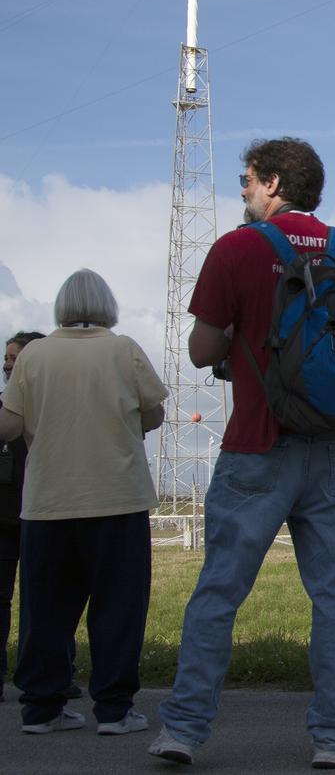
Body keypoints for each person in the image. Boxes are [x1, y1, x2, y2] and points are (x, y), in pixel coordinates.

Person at [151, 138, 335, 769]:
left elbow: (203, 351)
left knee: (219, 593)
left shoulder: (236, 249)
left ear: (272, 183)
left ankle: (183, 728)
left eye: (247, 180)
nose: (241, 190)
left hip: (258, 446)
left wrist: (244, 339)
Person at [0, 271, 165, 735]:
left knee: (45, 609)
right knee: (118, 608)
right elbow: (154, 413)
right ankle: (114, 709)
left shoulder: (33, 355)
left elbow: (9, 428)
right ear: (106, 305)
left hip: (48, 503)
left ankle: (41, 707)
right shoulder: (124, 349)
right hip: (117, 498)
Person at [1, 330, 46, 704]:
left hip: (41, 515)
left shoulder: (51, 413)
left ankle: (45, 678)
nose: (8, 364)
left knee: (44, 602)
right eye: (7, 358)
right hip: (5, 519)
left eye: (16, 358)